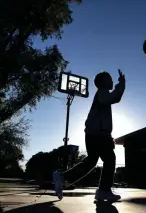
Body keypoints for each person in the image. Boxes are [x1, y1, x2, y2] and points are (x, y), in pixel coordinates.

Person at [53, 69, 126, 201]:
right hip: (98, 134)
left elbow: (113, 99)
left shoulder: (101, 93)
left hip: (94, 133)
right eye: (109, 78)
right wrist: (121, 84)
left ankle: (64, 177)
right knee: (109, 159)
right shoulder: (103, 92)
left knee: (92, 161)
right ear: (103, 82)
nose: (112, 80)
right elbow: (114, 98)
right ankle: (103, 190)